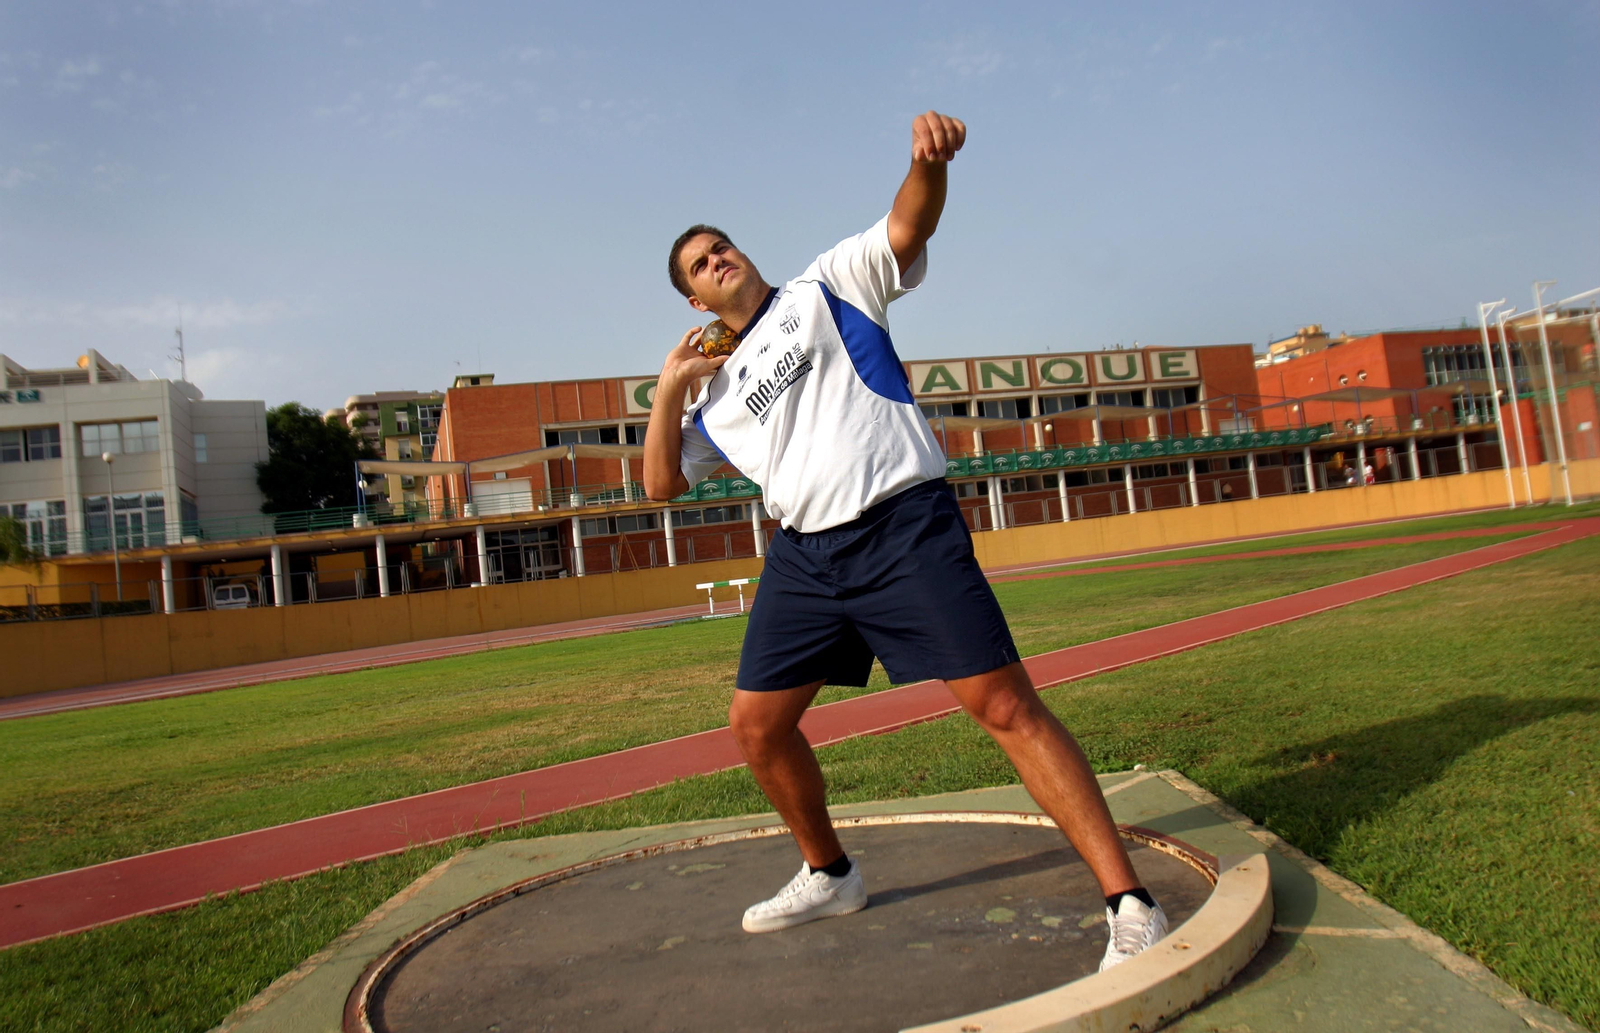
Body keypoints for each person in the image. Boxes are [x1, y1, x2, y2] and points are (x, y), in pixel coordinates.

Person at [643, 111, 1167, 972]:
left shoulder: (829, 284)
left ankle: (1130, 903)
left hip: (901, 527)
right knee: (756, 726)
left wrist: (926, 162)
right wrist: (669, 389)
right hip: (807, 559)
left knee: (1004, 706)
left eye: (722, 245)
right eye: (700, 263)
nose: (718, 258)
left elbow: (909, 222)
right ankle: (830, 872)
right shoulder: (713, 399)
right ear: (693, 300)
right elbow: (660, 484)